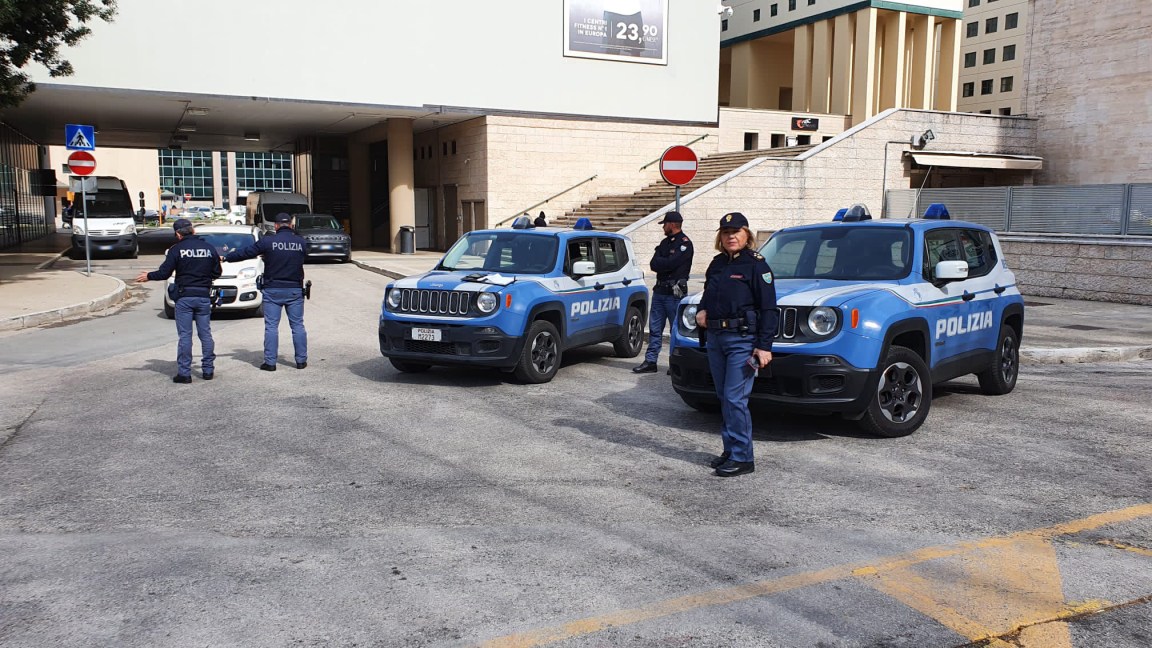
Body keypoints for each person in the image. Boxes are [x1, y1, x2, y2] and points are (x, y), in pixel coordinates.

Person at [694, 212, 778, 477]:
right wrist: (702, 310)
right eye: (726, 232)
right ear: (721, 237)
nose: (731, 236)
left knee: (734, 398)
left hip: (742, 340)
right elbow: (709, 294)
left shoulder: (757, 266)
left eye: (736, 231)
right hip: (717, 338)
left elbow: (769, 308)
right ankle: (730, 450)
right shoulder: (717, 264)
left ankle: (743, 457)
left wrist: (764, 346)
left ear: (747, 235)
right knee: (724, 397)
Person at [135, 218, 221, 383]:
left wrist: (148, 276)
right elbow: (217, 272)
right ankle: (208, 370)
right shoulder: (209, 249)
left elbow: (164, 273)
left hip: (184, 298)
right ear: (193, 231)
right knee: (205, 334)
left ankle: (185, 373)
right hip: (203, 297)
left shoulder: (176, 249)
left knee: (185, 336)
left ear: (177, 234)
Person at [224, 212, 308, 371]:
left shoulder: (268, 241)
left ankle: (270, 363)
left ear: (276, 226)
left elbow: (246, 252)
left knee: (271, 327)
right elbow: (303, 256)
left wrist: (227, 257)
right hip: (294, 290)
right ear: (290, 225)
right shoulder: (300, 242)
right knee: (297, 325)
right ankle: (301, 361)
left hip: (273, 289)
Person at [633, 211, 693, 374]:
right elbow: (654, 264)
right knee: (655, 328)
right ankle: (651, 361)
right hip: (660, 292)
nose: (663, 227)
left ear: (673, 224)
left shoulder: (685, 243)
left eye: (665, 224)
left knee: (676, 331)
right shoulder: (665, 243)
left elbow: (671, 263)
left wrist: (664, 262)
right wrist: (664, 262)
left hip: (674, 294)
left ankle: (675, 363)